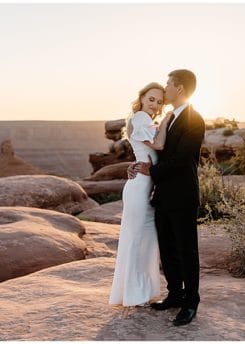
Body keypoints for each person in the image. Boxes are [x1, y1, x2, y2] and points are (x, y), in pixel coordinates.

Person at [129, 69, 206, 326]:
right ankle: (175, 293)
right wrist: (139, 165)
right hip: (161, 194)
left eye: (168, 85)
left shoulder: (194, 119)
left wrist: (151, 171)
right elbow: (155, 151)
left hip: (183, 195)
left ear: (180, 89)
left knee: (186, 250)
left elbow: (182, 159)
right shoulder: (170, 118)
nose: (166, 89)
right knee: (168, 249)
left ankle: (191, 301)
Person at [108, 82, 171, 307]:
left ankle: (138, 290)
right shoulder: (142, 118)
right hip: (139, 188)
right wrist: (166, 120)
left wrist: (135, 163)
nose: (155, 104)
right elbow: (160, 145)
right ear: (142, 97)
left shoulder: (141, 119)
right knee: (137, 238)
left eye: (159, 102)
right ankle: (134, 293)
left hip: (143, 184)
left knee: (143, 238)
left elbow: (145, 151)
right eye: (151, 99)